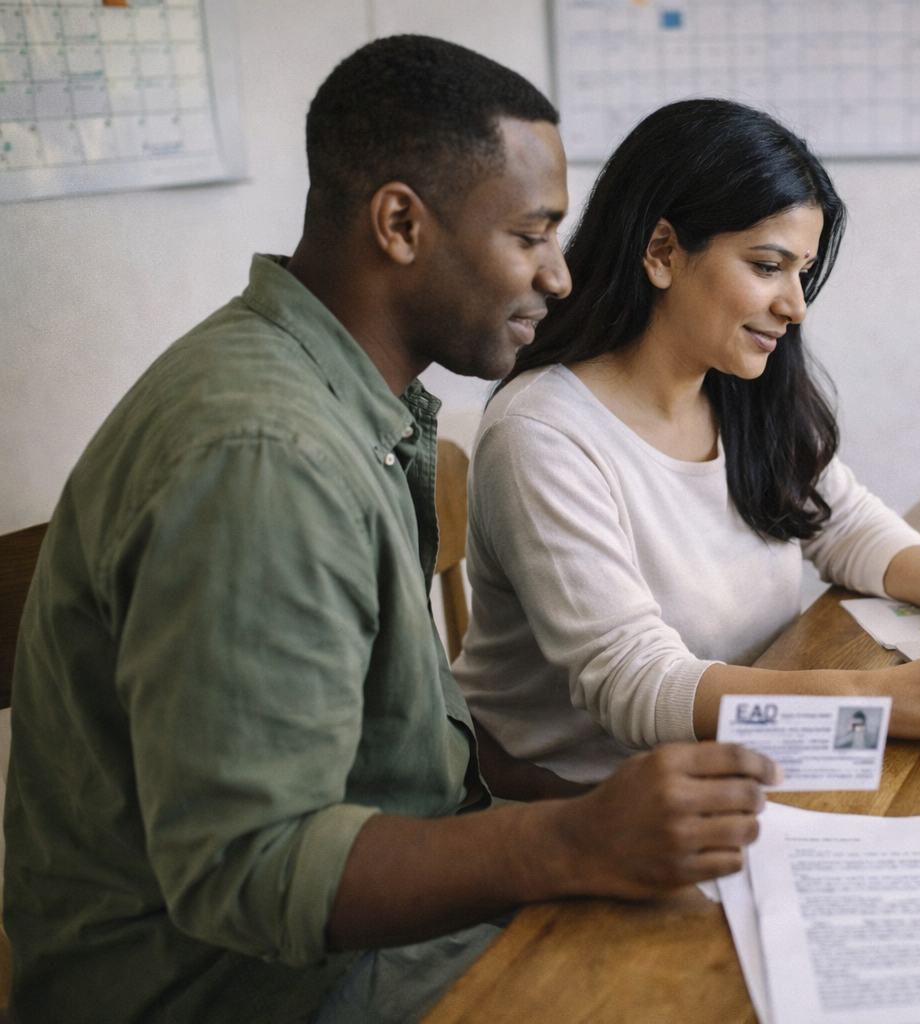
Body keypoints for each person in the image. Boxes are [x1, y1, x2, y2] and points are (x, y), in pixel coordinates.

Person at [4, 37, 779, 1024]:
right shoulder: (263, 454)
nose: (562, 277)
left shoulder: (345, 399)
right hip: (244, 988)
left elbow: (403, 759)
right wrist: (574, 840)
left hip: (357, 933)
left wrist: (579, 815)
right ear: (402, 223)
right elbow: (251, 870)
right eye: (531, 236)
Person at [453, 98, 920, 786]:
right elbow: (636, 685)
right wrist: (882, 701)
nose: (796, 305)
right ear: (662, 251)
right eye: (768, 266)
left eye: (802, 271)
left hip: (733, 755)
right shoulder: (543, 435)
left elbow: (840, 521)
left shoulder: (735, 387)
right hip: (573, 800)